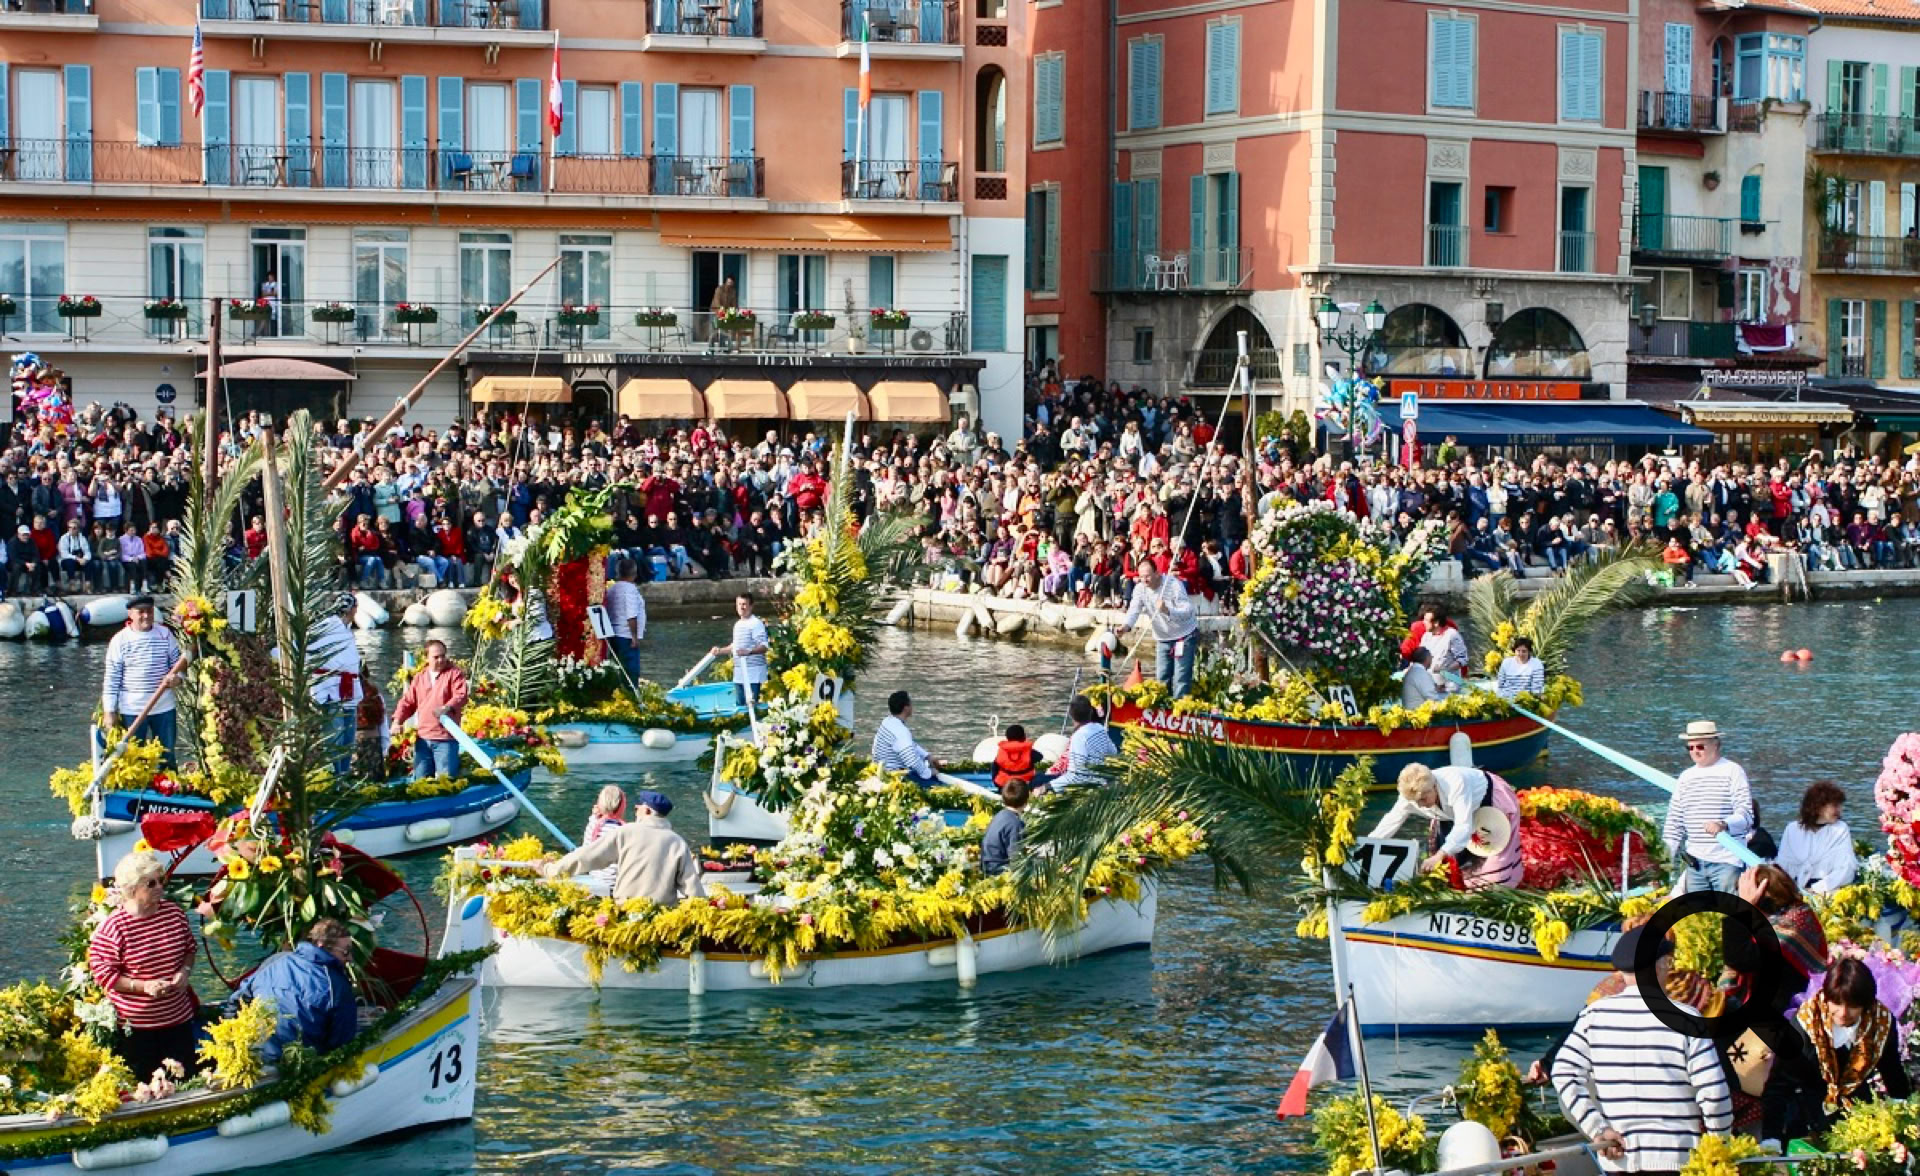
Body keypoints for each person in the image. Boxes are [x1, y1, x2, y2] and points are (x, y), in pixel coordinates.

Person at [1551, 926, 1733, 1173]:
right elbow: (1713, 1095)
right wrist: (1720, 1143)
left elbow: (1563, 1072)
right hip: (1678, 1159)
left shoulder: (1593, 1016)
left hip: (1618, 1158)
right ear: (1661, 965)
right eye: (1669, 962)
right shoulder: (1687, 1018)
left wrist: (1598, 1129)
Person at [1762, 956, 1911, 1145]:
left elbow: (1893, 1073)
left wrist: (1904, 1120)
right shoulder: (1804, 1025)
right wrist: (1771, 1137)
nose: (1843, 1013)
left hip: (1859, 1119)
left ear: (1866, 1004)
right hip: (1807, 1119)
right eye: (1837, 1003)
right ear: (1827, 998)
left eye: (1852, 1006)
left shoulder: (1880, 1023)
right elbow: (1779, 1086)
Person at [89, 852, 201, 1081]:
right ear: (131, 889)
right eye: (151, 883)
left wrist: (184, 972)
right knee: (143, 1086)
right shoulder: (114, 927)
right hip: (137, 1029)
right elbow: (104, 975)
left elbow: (190, 949)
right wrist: (144, 986)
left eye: (161, 881)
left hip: (177, 1020)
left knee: (184, 1079)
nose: (160, 887)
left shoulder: (174, 913)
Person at [1366, 762, 1524, 889]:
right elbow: (1390, 822)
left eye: (1423, 800)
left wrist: (1439, 855)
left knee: (1493, 859)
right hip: (1448, 814)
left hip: (1489, 804)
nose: (1420, 806)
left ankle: (1494, 892)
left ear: (1433, 786)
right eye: (1416, 802)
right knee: (1453, 867)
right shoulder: (1410, 796)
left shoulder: (1455, 783)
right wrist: (1367, 846)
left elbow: (1463, 825)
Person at [223, 918, 358, 1064]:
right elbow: (341, 1042)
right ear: (321, 945)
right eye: (346, 951)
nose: (350, 958)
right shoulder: (336, 985)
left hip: (254, 1056)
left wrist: (232, 1046)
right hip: (298, 1064)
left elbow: (235, 1001)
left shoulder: (275, 961)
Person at [543, 790, 703, 905]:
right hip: (661, 920)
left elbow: (586, 857)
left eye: (636, 809)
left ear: (647, 810)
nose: (634, 812)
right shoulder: (678, 843)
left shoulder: (626, 832)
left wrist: (550, 870)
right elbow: (693, 889)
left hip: (626, 911)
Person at [1664, 720, 1755, 894]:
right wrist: (1664, 859)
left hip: (1726, 862)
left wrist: (1723, 824)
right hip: (1695, 863)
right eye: (1690, 748)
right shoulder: (1685, 777)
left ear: (1716, 745)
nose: (1695, 752)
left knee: (1729, 913)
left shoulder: (1732, 771)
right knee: (1697, 917)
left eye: (1700, 746)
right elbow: (1674, 823)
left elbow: (1746, 815)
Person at [101, 594, 184, 766]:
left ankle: (167, 787)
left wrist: (177, 679)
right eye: (141, 612)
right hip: (132, 709)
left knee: (166, 756)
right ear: (131, 614)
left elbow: (179, 666)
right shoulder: (120, 640)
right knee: (133, 758)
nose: (146, 616)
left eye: (149, 611)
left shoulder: (165, 635)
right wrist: (109, 711)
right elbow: (112, 679)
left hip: (164, 707)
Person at [1111, 557, 1199, 698]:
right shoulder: (1140, 589)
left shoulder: (1173, 584)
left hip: (1184, 635)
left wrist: (1167, 610)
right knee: (1162, 677)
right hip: (1163, 638)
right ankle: (1163, 709)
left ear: (1157, 573)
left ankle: (1180, 711)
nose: (1144, 580)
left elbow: (1188, 611)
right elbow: (1134, 610)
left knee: (1181, 679)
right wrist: (1125, 627)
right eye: (1141, 577)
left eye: (1147, 576)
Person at [390, 639, 470, 781]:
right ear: (427, 658)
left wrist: (447, 707)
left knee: (447, 782)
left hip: (445, 739)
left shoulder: (454, 674)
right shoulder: (419, 677)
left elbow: (461, 695)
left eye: (443, 656)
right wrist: (397, 721)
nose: (441, 660)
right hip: (423, 738)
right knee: (421, 781)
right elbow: (408, 702)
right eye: (436, 657)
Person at [311, 592, 363, 779]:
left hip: (348, 690)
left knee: (347, 738)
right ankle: (334, 778)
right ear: (353, 609)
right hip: (332, 691)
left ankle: (343, 775)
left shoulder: (345, 629)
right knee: (334, 738)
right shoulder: (327, 627)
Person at [1776, 781, 1857, 896]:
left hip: (1827, 890)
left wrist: (1816, 889)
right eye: (1835, 806)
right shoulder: (1792, 829)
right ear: (1818, 807)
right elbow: (1783, 865)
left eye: (1840, 805)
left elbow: (1845, 869)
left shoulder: (1840, 829)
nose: (1840, 810)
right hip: (1795, 888)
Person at [710, 592, 769, 709]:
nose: (742, 607)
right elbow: (735, 647)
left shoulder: (756, 623)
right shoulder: (738, 625)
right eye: (739, 604)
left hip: (753, 673)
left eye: (744, 604)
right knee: (740, 706)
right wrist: (720, 651)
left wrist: (749, 652)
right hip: (739, 673)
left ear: (751, 606)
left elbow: (764, 646)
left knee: (751, 705)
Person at [1047, 695, 1118, 789]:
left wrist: (1048, 786)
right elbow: (1113, 752)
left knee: (1038, 781)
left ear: (1072, 716)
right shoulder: (1099, 728)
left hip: (1089, 784)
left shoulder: (1079, 737)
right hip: (1102, 778)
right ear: (1090, 711)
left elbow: (1076, 776)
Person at [873, 690, 939, 784]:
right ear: (906, 708)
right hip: (894, 778)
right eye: (910, 703)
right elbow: (911, 760)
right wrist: (929, 773)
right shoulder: (900, 731)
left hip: (882, 771)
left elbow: (910, 745)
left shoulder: (887, 721)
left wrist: (927, 756)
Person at [604, 557, 646, 681]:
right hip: (626, 635)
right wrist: (634, 637)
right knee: (631, 672)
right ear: (634, 573)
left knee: (617, 669)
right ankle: (631, 696)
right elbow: (631, 615)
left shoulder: (612, 589)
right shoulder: (630, 590)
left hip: (613, 633)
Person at [980, 778, 1030, 875]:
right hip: (998, 868)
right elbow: (1016, 856)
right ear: (1025, 802)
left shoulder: (1000, 815)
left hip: (987, 863)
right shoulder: (1015, 823)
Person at [1493, 635, 1546, 700]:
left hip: (1525, 701)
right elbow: (1500, 684)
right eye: (1518, 651)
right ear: (1514, 651)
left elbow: (1536, 688)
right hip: (1505, 698)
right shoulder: (1506, 662)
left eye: (1524, 651)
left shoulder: (1536, 664)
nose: (1520, 654)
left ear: (1529, 652)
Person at [1419, 612, 1469, 678]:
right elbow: (1420, 658)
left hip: (1449, 683)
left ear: (1436, 623)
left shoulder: (1452, 635)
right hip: (1429, 682)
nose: (1423, 622)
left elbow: (1462, 659)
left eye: (1426, 620)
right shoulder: (1426, 636)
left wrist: (1445, 671)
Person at [992, 722, 1037, 788]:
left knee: (995, 765)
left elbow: (995, 766)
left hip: (1004, 784)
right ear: (1024, 737)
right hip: (1025, 783)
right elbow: (1040, 757)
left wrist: (995, 779)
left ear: (1007, 738)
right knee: (1039, 776)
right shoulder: (1029, 751)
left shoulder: (1001, 751)